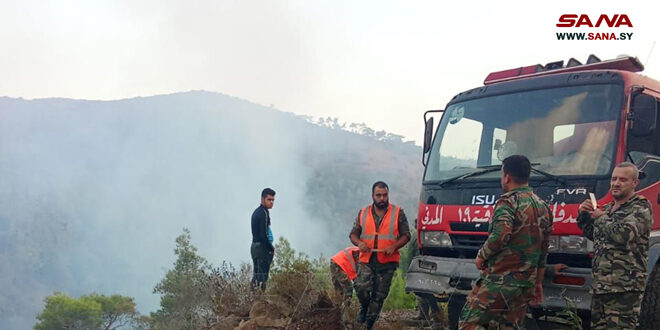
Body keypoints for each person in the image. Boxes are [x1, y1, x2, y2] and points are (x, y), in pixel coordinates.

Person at [459, 155, 553, 330]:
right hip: (526, 283)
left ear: (507, 176)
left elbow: (500, 235)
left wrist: (481, 256)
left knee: (469, 323)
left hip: (501, 280)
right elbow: (543, 249)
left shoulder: (508, 202)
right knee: (510, 326)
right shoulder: (543, 206)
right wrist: (538, 281)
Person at [577, 162, 653, 329]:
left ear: (635, 183)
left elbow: (623, 235)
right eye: (613, 179)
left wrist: (600, 217)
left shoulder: (640, 208)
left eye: (623, 179)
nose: (616, 183)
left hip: (623, 289)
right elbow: (594, 234)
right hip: (601, 287)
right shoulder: (609, 208)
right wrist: (583, 214)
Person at [350, 181, 411, 330]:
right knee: (361, 287)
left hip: (387, 262)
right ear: (373, 196)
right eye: (379, 195)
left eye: (385, 195)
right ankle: (364, 307)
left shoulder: (398, 212)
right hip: (367, 259)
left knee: (379, 296)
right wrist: (359, 244)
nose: (382, 198)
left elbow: (406, 235)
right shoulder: (363, 212)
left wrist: (394, 246)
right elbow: (353, 234)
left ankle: (369, 325)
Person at [251, 188, 276, 291]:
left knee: (257, 275)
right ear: (263, 199)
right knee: (262, 278)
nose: (271, 202)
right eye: (269, 199)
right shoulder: (263, 213)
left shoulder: (257, 212)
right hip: (262, 248)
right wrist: (271, 248)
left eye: (273, 200)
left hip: (254, 247)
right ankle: (260, 301)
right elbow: (263, 235)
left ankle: (252, 298)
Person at [330, 246, 360, 322]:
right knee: (348, 288)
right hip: (339, 265)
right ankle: (345, 313)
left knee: (339, 291)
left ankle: (336, 314)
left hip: (334, 262)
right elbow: (358, 274)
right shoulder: (359, 253)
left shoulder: (356, 249)